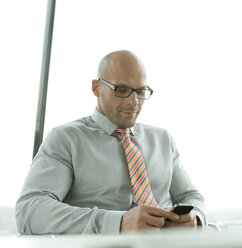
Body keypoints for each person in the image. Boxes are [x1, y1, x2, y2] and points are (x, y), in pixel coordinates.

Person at [15, 50, 206, 235]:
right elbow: (30, 210)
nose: (134, 102)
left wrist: (194, 218)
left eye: (140, 91)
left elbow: (191, 197)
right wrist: (119, 223)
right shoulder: (66, 139)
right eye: (122, 90)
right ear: (96, 88)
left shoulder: (163, 139)